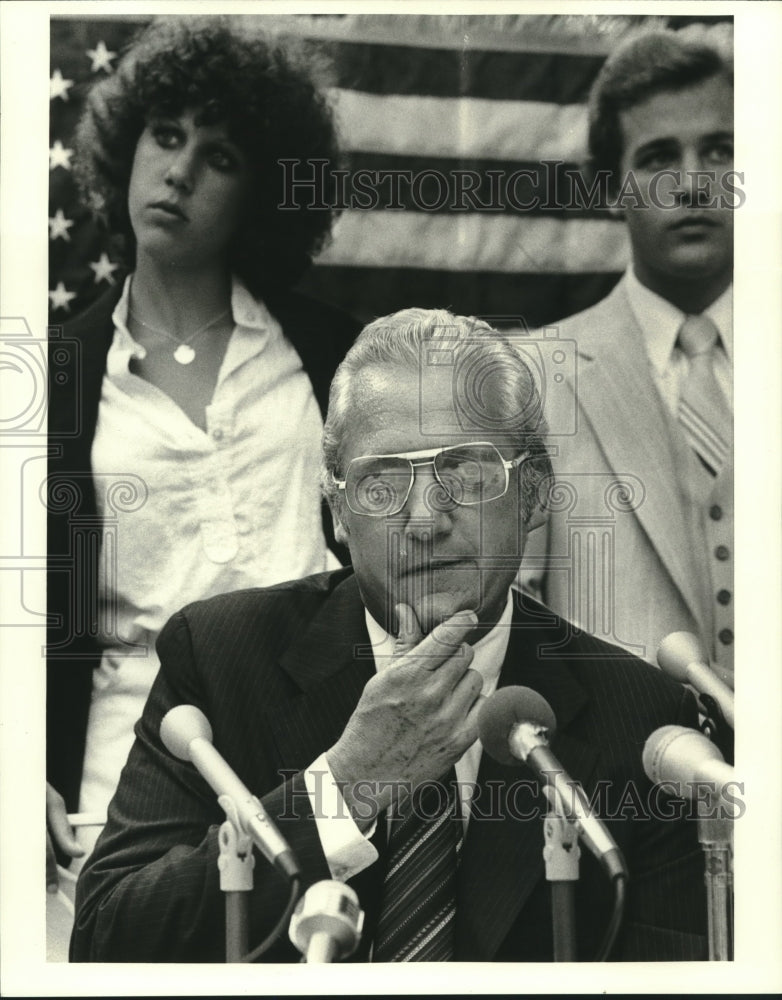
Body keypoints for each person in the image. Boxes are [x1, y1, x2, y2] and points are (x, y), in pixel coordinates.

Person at [71, 309, 707, 962]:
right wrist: (348, 783)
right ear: (338, 512)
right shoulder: (220, 659)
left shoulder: (642, 721)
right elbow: (108, 939)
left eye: (467, 472)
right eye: (382, 483)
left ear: (535, 493)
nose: (426, 518)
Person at [46, 15, 358, 893]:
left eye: (220, 156)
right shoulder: (52, 377)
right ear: (126, 148)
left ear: (260, 194)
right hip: (116, 785)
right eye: (167, 135)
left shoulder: (332, 355)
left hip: (324, 757)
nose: (179, 169)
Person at [520, 27, 734, 686]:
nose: (694, 185)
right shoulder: (530, 378)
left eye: (722, 151)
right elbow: (513, 632)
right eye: (659, 158)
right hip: (623, 783)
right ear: (610, 187)